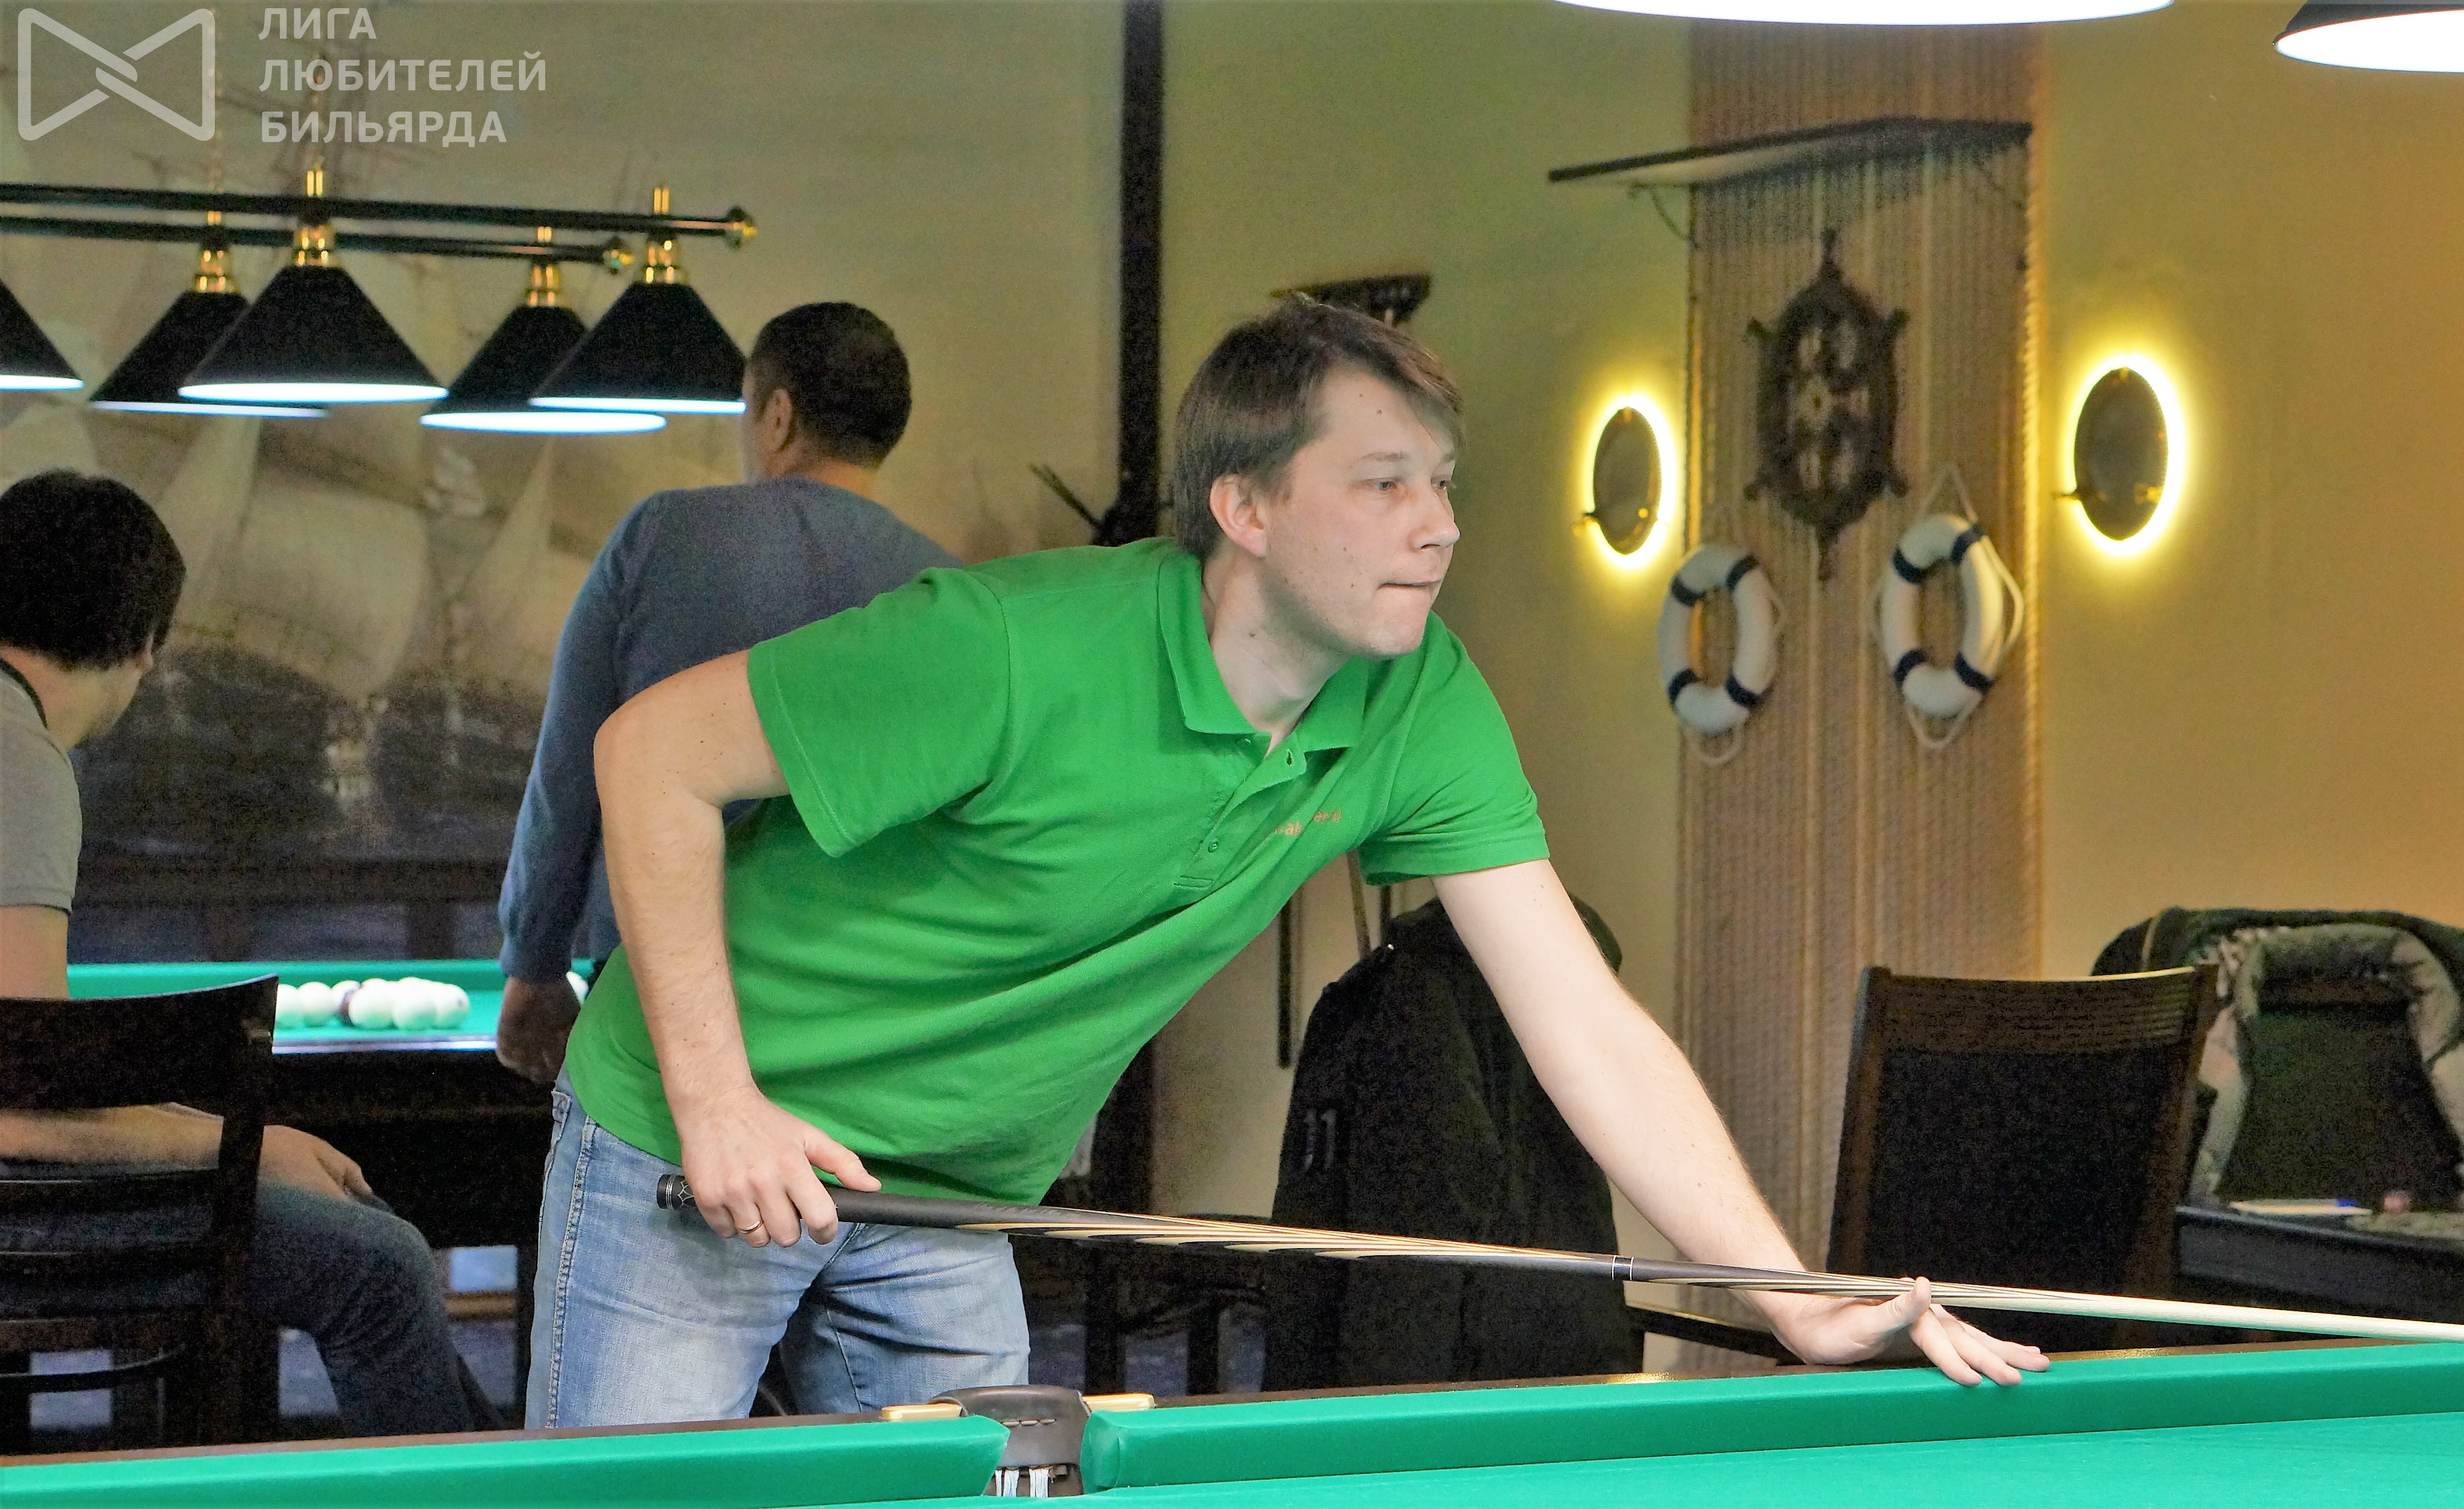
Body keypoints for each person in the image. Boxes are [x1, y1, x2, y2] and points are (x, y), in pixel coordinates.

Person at [531, 301, 2047, 1428]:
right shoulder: (1003, 649)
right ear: (1244, 507)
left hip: (948, 1193)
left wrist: (1789, 1297)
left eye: (1443, 485)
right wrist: (717, 1104)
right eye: (1384, 484)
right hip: (699, 1133)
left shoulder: (1419, 698)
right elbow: (647, 756)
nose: (1438, 528)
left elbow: (1581, 1023)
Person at [0, 469, 493, 1438]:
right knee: (382, 1266)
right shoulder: (20, 759)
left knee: (367, 1240)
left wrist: (222, 1138)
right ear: (144, 647)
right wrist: (251, 1146)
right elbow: (22, 1099)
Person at [494, 302, 959, 1082]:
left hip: (654, 989)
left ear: (778, 416)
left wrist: (532, 962)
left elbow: (572, 764)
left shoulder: (662, 535)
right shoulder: (945, 588)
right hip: (864, 1000)